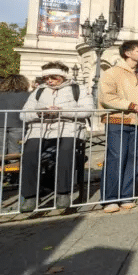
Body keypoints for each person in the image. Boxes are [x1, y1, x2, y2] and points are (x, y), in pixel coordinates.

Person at [18, 63, 91, 212]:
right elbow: (23, 114)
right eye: (46, 78)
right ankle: (30, 196)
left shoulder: (78, 89)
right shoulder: (38, 91)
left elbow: (87, 110)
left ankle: (63, 193)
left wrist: (62, 111)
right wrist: (40, 113)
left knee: (65, 152)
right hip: (40, 129)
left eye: (53, 77)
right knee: (30, 154)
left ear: (63, 77)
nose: (49, 81)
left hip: (68, 129)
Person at [99, 41, 138, 212]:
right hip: (118, 120)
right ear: (128, 53)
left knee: (135, 160)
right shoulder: (111, 72)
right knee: (116, 158)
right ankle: (110, 198)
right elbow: (107, 98)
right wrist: (133, 106)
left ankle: (127, 195)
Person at [0, 74, 30, 157]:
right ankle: (12, 168)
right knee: (15, 150)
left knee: (0, 150)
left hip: (1, 124)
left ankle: (1, 168)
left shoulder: (1, 94)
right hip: (19, 124)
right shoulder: (27, 95)